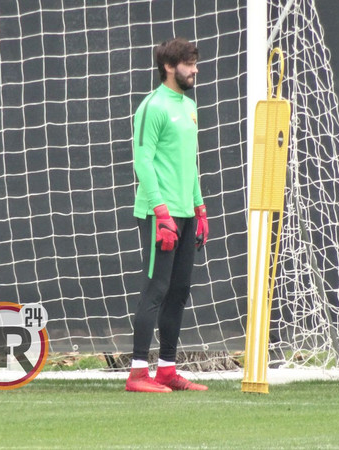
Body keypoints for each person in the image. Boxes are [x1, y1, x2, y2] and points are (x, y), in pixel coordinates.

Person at [126, 38, 209, 393]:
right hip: (158, 214)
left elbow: (189, 164)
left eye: (195, 62)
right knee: (155, 290)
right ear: (169, 67)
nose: (195, 69)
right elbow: (142, 162)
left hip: (186, 213)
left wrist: (200, 208)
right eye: (189, 63)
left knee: (179, 291)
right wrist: (161, 211)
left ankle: (167, 371)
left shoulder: (189, 106)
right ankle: (137, 374)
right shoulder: (153, 106)